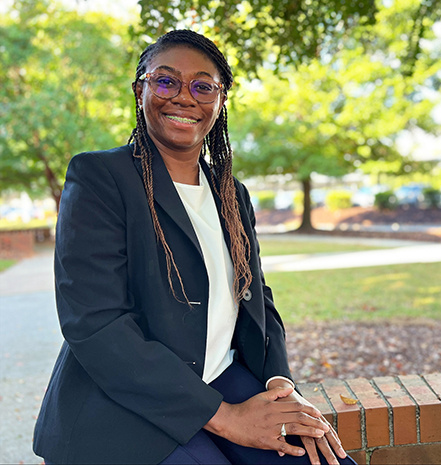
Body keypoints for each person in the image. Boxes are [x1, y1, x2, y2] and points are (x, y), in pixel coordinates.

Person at [33, 29, 357, 465]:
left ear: (220, 101)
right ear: (140, 88)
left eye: (203, 86)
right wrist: (226, 418)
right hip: (122, 398)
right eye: (166, 81)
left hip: (220, 378)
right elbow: (97, 323)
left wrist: (280, 383)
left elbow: (257, 297)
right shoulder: (100, 178)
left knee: (319, 459)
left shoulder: (231, 194)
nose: (184, 97)